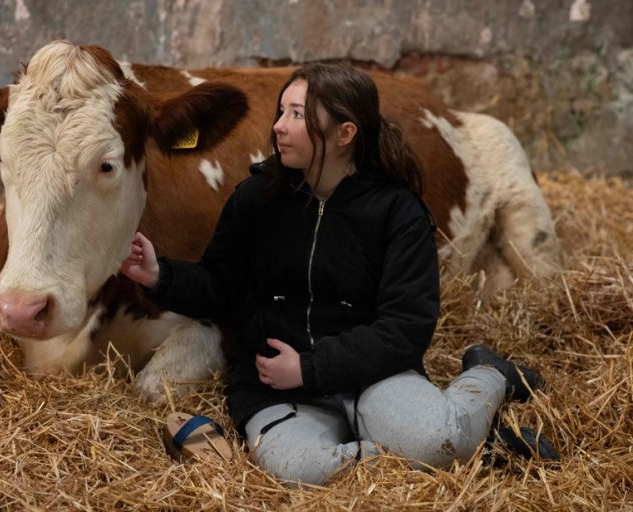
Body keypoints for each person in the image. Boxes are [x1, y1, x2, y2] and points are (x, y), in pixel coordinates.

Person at [120, 63, 545, 485]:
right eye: (280, 112)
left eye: (297, 115)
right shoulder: (255, 200)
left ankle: (490, 373)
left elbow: (405, 328)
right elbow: (221, 288)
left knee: (436, 439)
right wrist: (160, 275)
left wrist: (310, 367)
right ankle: (473, 450)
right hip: (277, 391)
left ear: (346, 133)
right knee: (299, 471)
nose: (278, 127)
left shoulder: (398, 212)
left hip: (375, 377)